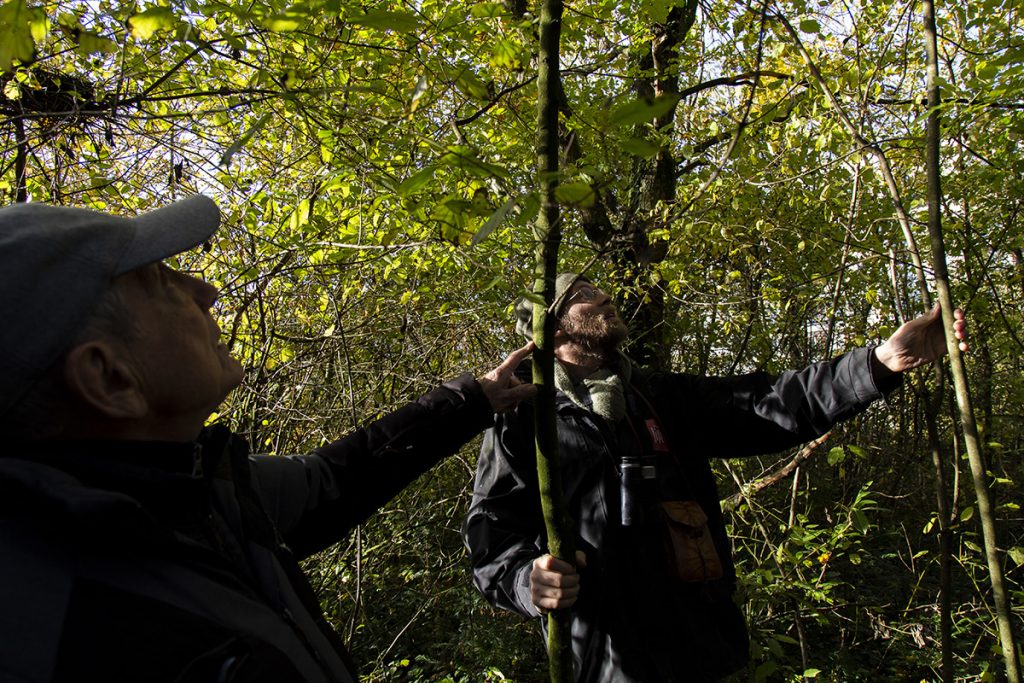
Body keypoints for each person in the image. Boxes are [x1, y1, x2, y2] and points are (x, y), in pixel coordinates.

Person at [0, 195, 535, 683]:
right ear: (109, 379)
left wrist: (472, 401)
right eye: (160, 282)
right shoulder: (56, 633)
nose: (204, 290)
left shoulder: (201, 490)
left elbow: (335, 479)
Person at [463, 272, 966, 682]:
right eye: (582, 295)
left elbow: (772, 403)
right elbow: (491, 536)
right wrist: (528, 581)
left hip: (697, 642)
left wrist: (881, 362)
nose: (604, 297)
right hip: (605, 653)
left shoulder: (659, 394)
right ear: (551, 331)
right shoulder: (524, 416)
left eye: (598, 288)